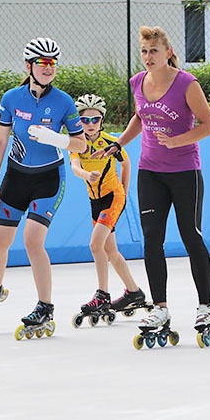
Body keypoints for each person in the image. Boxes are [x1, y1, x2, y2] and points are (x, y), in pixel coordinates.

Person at [95, 25, 210, 340]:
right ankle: (160, 307)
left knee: (191, 236)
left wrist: (177, 141)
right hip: (150, 171)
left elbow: (209, 125)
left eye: (154, 51)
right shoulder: (137, 82)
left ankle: (205, 307)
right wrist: (119, 143)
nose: (148, 57)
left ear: (169, 53)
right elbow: (140, 116)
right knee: (152, 240)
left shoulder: (187, 84)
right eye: (144, 52)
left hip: (184, 170)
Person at [0, 37, 86, 334]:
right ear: (29, 66)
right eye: (42, 63)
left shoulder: (63, 101)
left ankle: (45, 306)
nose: (48, 68)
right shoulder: (11, 99)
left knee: (33, 241)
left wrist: (57, 139)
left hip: (48, 178)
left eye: (52, 63)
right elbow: (0, 140)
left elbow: (82, 145)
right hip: (16, 176)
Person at [68, 93, 146, 321]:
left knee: (95, 244)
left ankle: (102, 294)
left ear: (102, 121)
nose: (90, 125)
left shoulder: (111, 142)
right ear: (78, 121)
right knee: (110, 251)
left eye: (95, 120)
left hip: (113, 197)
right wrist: (85, 174)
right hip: (95, 201)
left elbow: (126, 161)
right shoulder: (78, 144)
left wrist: (124, 188)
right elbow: (74, 166)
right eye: (85, 120)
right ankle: (134, 291)